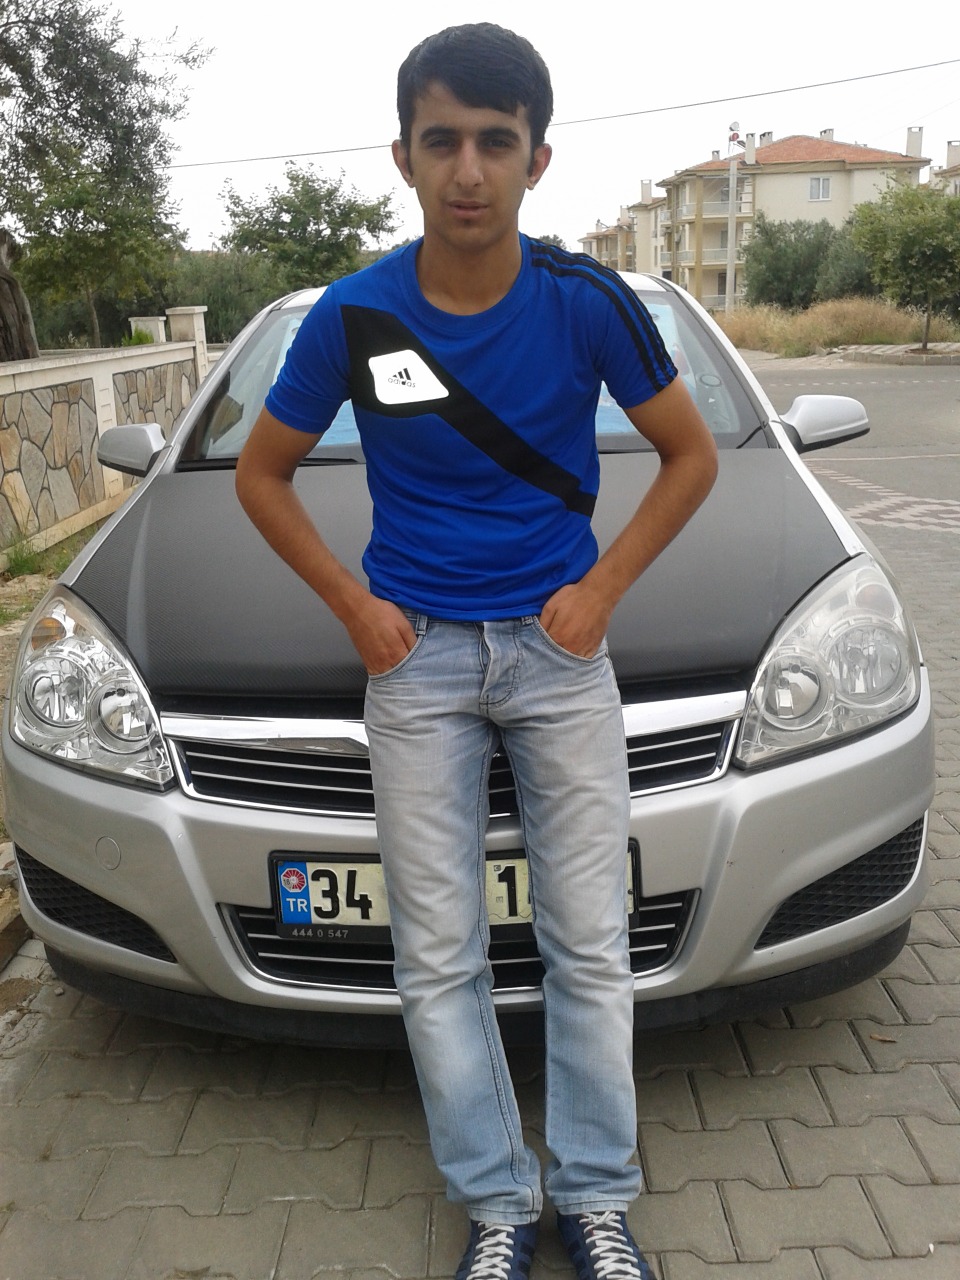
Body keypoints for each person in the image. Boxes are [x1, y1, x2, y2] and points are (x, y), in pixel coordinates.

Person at [236, 23, 718, 1280]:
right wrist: (356, 608)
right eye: (441, 140)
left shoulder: (586, 301)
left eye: (495, 142)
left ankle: (597, 1198)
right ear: (402, 155)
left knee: (587, 942)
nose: (468, 169)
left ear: (536, 159)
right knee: (437, 954)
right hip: (420, 668)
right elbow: (261, 472)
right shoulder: (354, 314)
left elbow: (692, 454)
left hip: (560, 659)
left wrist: (601, 589)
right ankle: (499, 1202)